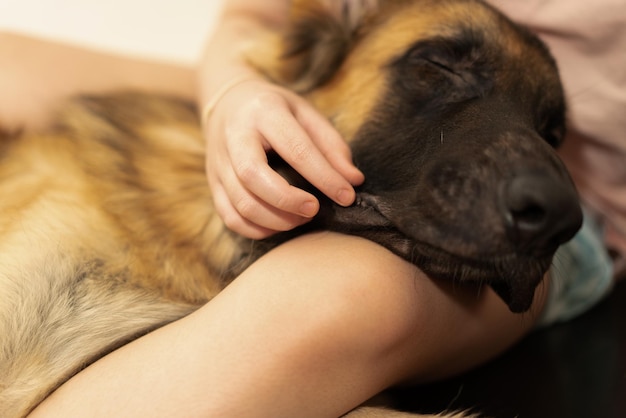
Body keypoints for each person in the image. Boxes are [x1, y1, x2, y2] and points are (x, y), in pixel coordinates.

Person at [0, 0, 619, 416]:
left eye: (547, 128)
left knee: (337, 299)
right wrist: (232, 96)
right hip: (323, 75)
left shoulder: (545, 194)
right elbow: (257, 18)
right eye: (440, 69)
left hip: (578, 224)